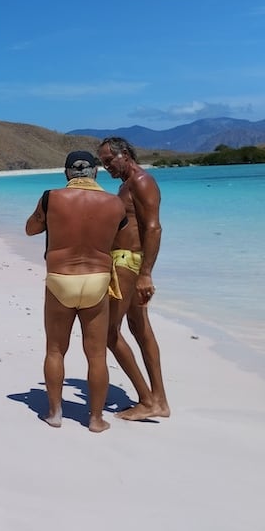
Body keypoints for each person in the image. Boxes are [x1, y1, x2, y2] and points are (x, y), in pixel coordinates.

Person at [25, 151, 127, 433]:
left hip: (61, 279)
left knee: (55, 349)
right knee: (96, 356)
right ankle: (95, 419)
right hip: (97, 280)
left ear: (67, 173)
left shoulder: (51, 197)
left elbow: (31, 229)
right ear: (96, 172)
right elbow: (118, 235)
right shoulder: (115, 202)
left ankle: (55, 413)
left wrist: (49, 218)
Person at [97, 136, 170, 420]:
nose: (106, 167)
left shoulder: (141, 181)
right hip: (126, 262)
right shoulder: (126, 185)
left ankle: (147, 399)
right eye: (102, 163)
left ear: (124, 154)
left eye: (109, 161)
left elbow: (153, 229)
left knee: (108, 332)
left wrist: (146, 274)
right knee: (140, 330)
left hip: (130, 263)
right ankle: (159, 401)